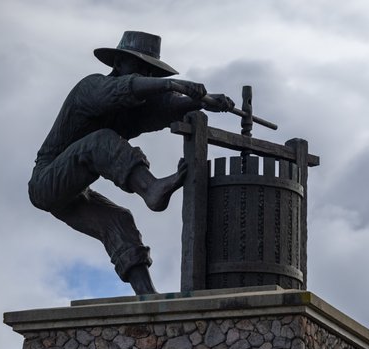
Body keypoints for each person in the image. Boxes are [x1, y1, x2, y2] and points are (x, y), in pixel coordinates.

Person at [28, 31, 234, 295]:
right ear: (118, 65)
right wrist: (174, 84)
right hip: (46, 181)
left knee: (118, 220)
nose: (146, 76)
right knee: (100, 140)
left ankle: (147, 295)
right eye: (139, 67)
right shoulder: (91, 88)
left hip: (74, 194)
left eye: (151, 72)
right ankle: (149, 188)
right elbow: (123, 89)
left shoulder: (130, 109)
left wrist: (201, 102)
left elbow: (163, 109)